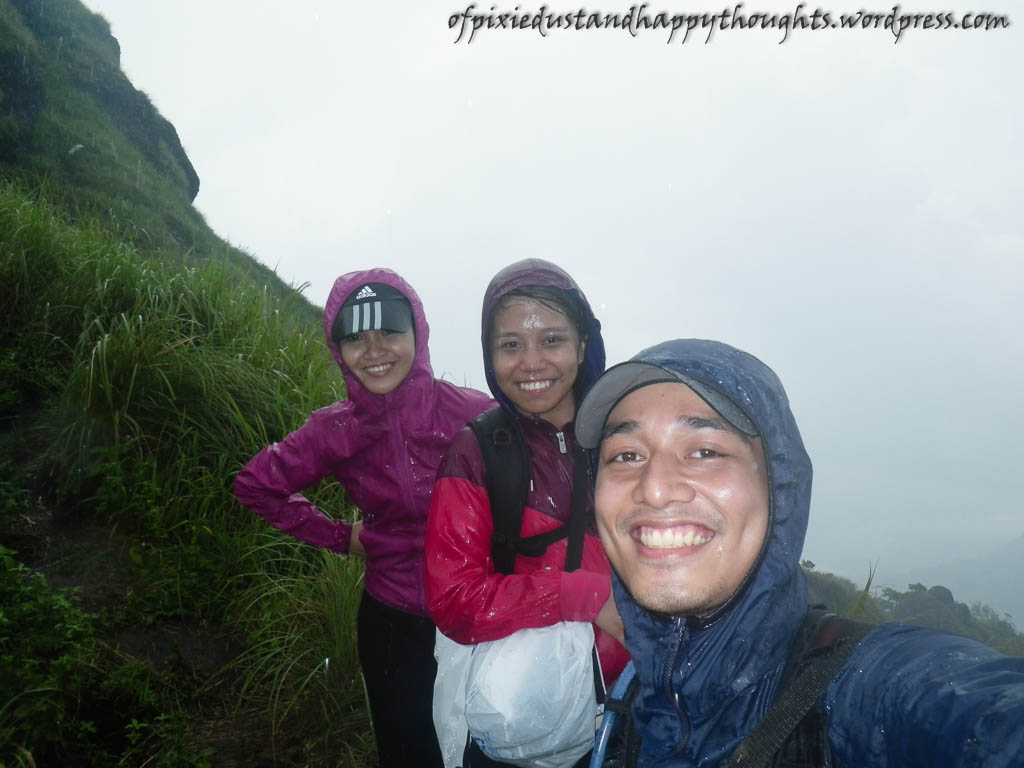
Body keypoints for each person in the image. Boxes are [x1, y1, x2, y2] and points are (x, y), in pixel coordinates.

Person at [575, 338, 1024, 768]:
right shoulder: (627, 699)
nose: (653, 488)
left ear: (779, 487)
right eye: (627, 456)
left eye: (705, 450)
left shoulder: (869, 690)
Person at [234, 269, 492, 768]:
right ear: (338, 349)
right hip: (393, 619)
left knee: (487, 745)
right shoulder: (334, 430)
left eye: (389, 332)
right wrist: (340, 536)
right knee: (409, 751)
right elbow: (256, 485)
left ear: (418, 331)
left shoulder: (474, 414)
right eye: (355, 338)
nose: (374, 351)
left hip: (478, 610)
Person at [425, 259, 631, 768]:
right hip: (524, 719)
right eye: (511, 344)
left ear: (584, 345)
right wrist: (582, 595)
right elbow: (453, 600)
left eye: (553, 340)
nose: (532, 362)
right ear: (489, 355)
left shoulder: (627, 436)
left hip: (635, 706)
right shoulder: (476, 452)